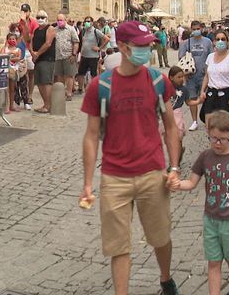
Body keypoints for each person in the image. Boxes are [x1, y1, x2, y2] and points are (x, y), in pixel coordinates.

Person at [80, 20, 181, 295]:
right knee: (118, 246)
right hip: (115, 176)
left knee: (161, 237)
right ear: (123, 47)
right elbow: (90, 136)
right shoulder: (100, 86)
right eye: (141, 46)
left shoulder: (158, 81)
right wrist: (88, 183)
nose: (147, 51)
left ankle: (165, 277)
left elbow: (171, 127)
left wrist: (174, 167)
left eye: (149, 45)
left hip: (153, 173)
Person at [169, 110, 229, 295]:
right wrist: (177, 184)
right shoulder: (205, 157)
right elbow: (192, 182)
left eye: (221, 139)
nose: (216, 143)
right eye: (212, 138)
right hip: (211, 220)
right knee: (213, 262)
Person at [178, 21, 213, 131]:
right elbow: (181, 58)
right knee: (192, 98)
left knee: (206, 98)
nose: (196, 30)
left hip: (204, 75)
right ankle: (194, 121)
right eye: (193, 29)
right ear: (191, 29)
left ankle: (207, 120)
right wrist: (184, 74)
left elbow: (211, 56)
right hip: (191, 76)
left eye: (198, 28)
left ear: (201, 28)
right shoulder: (187, 43)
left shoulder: (207, 42)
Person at [199, 29, 229, 123]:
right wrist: (202, 91)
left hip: (226, 94)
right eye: (217, 39)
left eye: (223, 39)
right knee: (209, 122)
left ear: (227, 41)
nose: (220, 41)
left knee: (225, 125)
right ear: (214, 42)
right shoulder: (210, 57)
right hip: (211, 93)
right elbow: (206, 76)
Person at [166, 66, 200, 161]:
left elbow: (188, 102)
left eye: (182, 77)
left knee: (178, 136)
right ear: (171, 77)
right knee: (168, 138)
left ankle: (177, 157)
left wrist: (198, 101)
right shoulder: (166, 87)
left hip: (177, 114)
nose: (181, 79)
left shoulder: (184, 89)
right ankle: (175, 155)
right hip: (167, 114)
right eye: (179, 77)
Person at [30, 10, 56, 113]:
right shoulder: (36, 30)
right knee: (39, 82)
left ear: (46, 18)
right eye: (38, 17)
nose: (40, 19)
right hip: (38, 60)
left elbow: (48, 43)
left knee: (46, 82)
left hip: (47, 59)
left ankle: (49, 105)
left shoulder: (50, 29)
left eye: (42, 17)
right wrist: (32, 52)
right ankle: (45, 104)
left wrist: (37, 54)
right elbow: (31, 41)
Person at [76, 16, 108, 94]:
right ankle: (80, 88)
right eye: (86, 21)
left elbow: (107, 39)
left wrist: (99, 48)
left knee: (93, 73)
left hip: (93, 56)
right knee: (80, 73)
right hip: (84, 56)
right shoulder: (83, 31)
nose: (87, 23)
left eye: (89, 21)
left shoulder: (95, 31)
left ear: (92, 22)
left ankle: (94, 89)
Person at [53, 13, 79, 101]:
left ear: (65, 20)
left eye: (61, 20)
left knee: (69, 75)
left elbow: (76, 42)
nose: (59, 22)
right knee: (59, 75)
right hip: (58, 56)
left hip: (68, 55)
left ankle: (69, 93)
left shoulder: (71, 29)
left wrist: (74, 54)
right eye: (58, 20)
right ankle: (61, 92)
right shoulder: (54, 30)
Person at [19, 4, 39, 105]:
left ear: (29, 12)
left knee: (31, 73)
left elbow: (29, 38)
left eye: (26, 11)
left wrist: (26, 24)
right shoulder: (19, 23)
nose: (25, 13)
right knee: (23, 74)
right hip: (22, 49)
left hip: (30, 50)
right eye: (23, 11)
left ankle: (30, 95)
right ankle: (25, 94)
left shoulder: (34, 23)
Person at [0, 33, 22, 113]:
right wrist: (11, 55)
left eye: (13, 39)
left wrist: (10, 56)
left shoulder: (18, 50)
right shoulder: (4, 48)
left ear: (16, 40)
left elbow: (18, 58)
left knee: (12, 89)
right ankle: (6, 106)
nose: (11, 40)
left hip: (14, 70)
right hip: (6, 70)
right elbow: (2, 56)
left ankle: (11, 105)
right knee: (6, 89)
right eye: (10, 39)